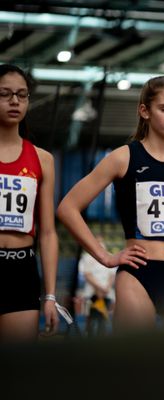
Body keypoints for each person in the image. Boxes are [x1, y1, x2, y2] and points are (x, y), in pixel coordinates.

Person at [57, 76, 164, 332]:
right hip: (138, 274)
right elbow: (68, 207)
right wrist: (104, 257)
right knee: (134, 365)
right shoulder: (122, 158)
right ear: (144, 110)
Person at [0, 64, 59, 341]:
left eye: (22, 95)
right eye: (5, 94)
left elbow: (47, 232)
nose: (15, 101)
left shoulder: (42, 159)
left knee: (16, 370)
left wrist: (50, 296)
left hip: (22, 271)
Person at [78, 235, 116, 337]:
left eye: (101, 242)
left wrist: (106, 288)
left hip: (106, 293)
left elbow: (112, 274)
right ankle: (89, 336)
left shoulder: (110, 256)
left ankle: (102, 337)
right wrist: (99, 288)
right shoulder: (86, 257)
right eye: (97, 242)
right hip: (91, 293)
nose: (100, 244)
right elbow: (87, 274)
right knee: (90, 317)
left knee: (104, 318)